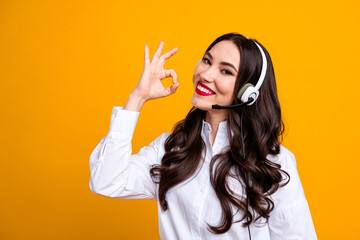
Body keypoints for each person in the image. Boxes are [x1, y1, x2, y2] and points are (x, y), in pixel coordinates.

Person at [89, 33, 317, 239]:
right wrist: (137, 98)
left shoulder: (274, 163)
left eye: (226, 71)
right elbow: (106, 181)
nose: (206, 75)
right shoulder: (170, 149)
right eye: (207, 60)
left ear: (248, 93)